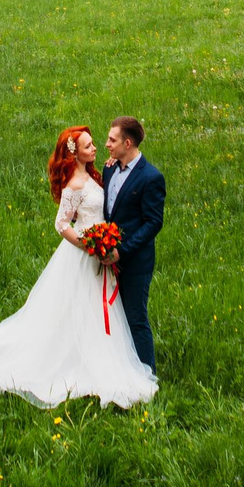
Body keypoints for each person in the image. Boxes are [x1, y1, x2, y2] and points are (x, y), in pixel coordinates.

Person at [0, 125, 158, 409]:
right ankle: (75, 361)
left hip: (104, 251)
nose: (98, 148)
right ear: (75, 154)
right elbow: (61, 224)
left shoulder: (100, 172)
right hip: (84, 253)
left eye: (101, 143)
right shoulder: (75, 184)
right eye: (90, 145)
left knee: (102, 309)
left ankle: (108, 358)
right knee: (77, 308)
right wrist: (89, 245)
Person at [100, 116, 165, 371]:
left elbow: (153, 223)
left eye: (112, 140)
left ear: (128, 143)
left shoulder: (151, 177)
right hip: (107, 259)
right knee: (113, 318)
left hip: (135, 261)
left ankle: (148, 376)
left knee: (135, 318)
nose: (106, 144)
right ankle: (119, 368)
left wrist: (121, 251)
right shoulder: (110, 168)